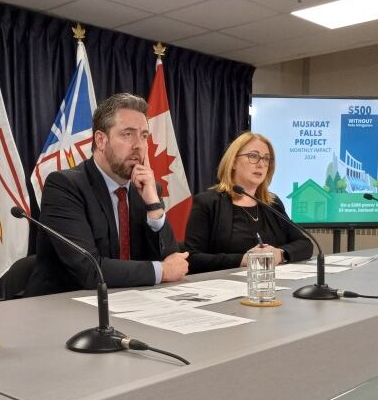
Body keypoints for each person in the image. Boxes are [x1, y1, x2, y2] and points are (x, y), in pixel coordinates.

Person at [26, 93, 188, 296]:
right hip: (64, 307)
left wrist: (154, 206)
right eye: (128, 134)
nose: (139, 145)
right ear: (101, 140)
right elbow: (89, 270)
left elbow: (171, 257)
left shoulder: (148, 189)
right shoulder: (64, 186)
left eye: (144, 136)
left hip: (129, 302)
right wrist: (162, 270)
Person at [184, 132, 313, 274]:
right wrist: (243, 260)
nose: (261, 164)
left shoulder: (273, 203)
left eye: (266, 159)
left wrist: (280, 254)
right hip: (223, 288)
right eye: (253, 156)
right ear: (233, 162)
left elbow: (305, 244)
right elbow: (192, 258)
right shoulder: (207, 203)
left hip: (271, 286)